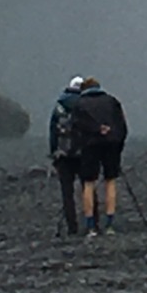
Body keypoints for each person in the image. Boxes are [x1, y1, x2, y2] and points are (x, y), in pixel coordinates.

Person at [75, 78, 128, 236]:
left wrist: (94, 131)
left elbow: (77, 125)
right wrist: (118, 145)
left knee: (89, 183)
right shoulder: (112, 101)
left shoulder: (80, 104)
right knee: (110, 181)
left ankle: (91, 225)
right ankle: (110, 222)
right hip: (111, 144)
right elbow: (122, 126)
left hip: (90, 145)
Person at [48, 75, 85, 234]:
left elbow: (53, 130)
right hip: (84, 153)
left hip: (63, 154)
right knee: (88, 188)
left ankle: (72, 227)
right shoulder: (86, 104)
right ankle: (93, 223)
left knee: (67, 193)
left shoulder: (60, 104)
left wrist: (53, 151)